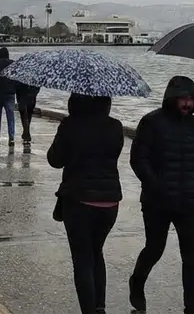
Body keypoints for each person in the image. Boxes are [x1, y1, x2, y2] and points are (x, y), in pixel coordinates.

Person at [128, 76, 194, 314]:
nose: (188, 104)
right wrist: (155, 184)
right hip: (157, 202)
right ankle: (137, 281)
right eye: (184, 99)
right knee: (155, 248)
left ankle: (191, 306)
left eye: (191, 99)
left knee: (192, 257)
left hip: (188, 201)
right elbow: (138, 159)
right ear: (172, 99)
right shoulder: (151, 122)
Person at [47, 95, 124, 314]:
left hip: (79, 200)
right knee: (96, 252)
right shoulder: (115, 126)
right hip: (110, 202)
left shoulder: (70, 125)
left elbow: (55, 160)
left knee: (82, 259)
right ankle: (99, 307)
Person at [16, 81, 39, 146]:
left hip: (24, 97)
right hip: (28, 96)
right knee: (27, 115)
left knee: (25, 115)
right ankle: (26, 132)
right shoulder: (34, 75)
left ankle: (26, 132)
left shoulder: (21, 75)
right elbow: (38, 86)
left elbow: (16, 85)